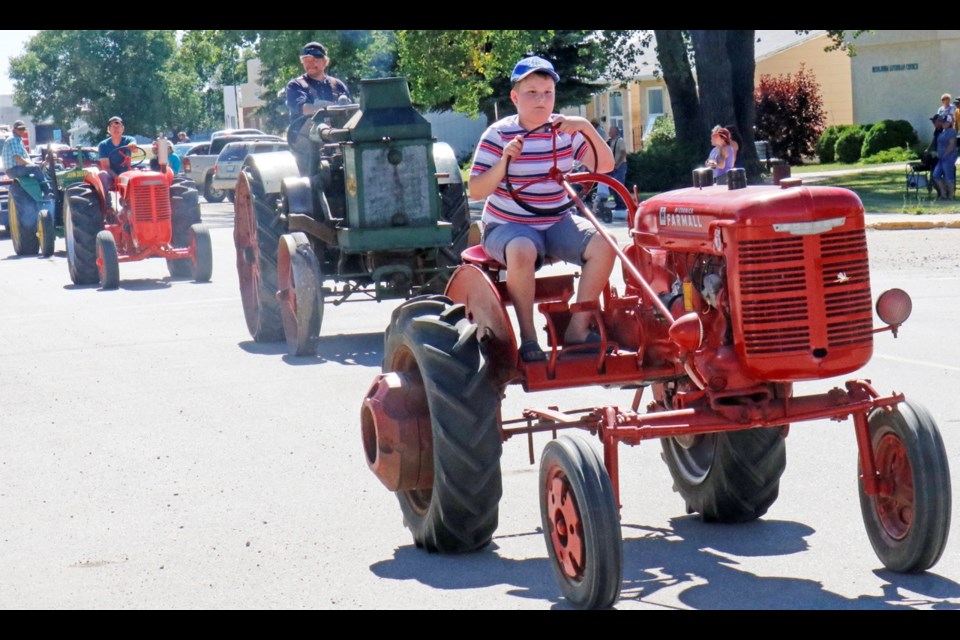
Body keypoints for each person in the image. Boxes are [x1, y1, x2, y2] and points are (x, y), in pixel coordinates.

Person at [468, 55, 616, 364]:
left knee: (606, 243)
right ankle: (529, 338)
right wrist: (505, 162)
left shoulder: (565, 130)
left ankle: (577, 329)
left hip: (556, 220)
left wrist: (586, 126)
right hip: (507, 225)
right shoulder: (498, 135)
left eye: (547, 93)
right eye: (532, 92)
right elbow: (477, 190)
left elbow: (605, 166)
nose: (541, 100)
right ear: (515, 97)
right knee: (521, 248)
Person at [285, 42, 351, 123]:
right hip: (304, 135)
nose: (310, 64)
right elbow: (305, 109)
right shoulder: (295, 85)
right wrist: (335, 110)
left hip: (336, 134)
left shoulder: (338, 85)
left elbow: (350, 111)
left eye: (314, 59)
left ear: (324, 61)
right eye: (306, 60)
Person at [2, 120, 50, 191]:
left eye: (23, 129)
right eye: (19, 129)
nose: (21, 130)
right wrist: (31, 164)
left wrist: (33, 163)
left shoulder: (18, 140)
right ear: (14, 129)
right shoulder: (13, 139)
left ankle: (40, 190)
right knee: (35, 168)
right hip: (13, 169)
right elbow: (18, 158)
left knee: (41, 168)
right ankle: (48, 191)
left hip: (17, 168)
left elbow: (23, 158)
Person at [97, 116, 138, 194]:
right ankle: (107, 204)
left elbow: (135, 149)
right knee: (102, 174)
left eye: (118, 126)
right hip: (112, 176)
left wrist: (133, 146)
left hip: (128, 173)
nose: (116, 129)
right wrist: (117, 178)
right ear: (109, 130)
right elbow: (106, 167)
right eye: (113, 127)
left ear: (122, 129)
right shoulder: (103, 145)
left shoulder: (129, 140)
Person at [932, 113, 957, 200]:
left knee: (948, 177)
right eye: (942, 122)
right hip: (941, 158)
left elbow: (952, 145)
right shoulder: (942, 131)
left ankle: (950, 196)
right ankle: (943, 194)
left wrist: (945, 155)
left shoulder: (951, 131)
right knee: (936, 175)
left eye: (945, 122)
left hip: (948, 158)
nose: (943, 123)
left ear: (950, 122)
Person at [606, 125, 628, 209]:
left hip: (620, 166)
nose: (609, 132)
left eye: (611, 131)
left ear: (615, 132)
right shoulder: (611, 141)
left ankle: (622, 204)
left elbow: (623, 153)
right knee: (613, 186)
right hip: (614, 166)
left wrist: (618, 164)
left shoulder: (620, 141)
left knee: (619, 185)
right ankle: (618, 203)